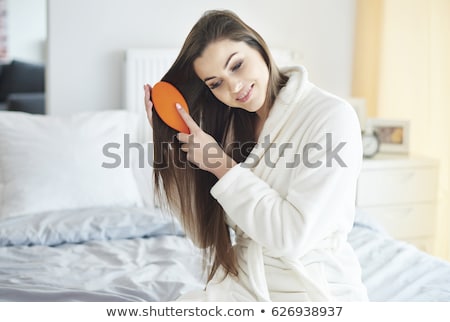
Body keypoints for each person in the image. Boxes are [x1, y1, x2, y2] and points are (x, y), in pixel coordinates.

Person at [143, 9, 368, 301]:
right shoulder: (226, 127)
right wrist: (171, 146)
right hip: (243, 285)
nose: (234, 87)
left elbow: (291, 238)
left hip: (311, 290)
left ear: (259, 47)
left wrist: (221, 166)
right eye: (215, 83)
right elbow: (203, 235)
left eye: (236, 65)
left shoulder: (331, 117)